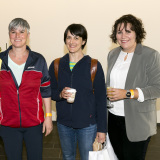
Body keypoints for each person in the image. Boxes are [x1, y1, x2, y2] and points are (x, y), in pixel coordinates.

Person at [0, 18, 53, 160]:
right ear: (9, 35)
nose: (17, 36)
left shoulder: (38, 60)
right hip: (8, 123)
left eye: (21, 32)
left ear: (28, 35)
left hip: (34, 123)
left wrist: (48, 117)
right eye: (13, 32)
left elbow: (46, 90)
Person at [107, 14, 160, 160]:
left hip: (137, 121)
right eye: (119, 32)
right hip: (113, 119)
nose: (123, 35)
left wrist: (127, 93)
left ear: (137, 33)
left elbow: (157, 89)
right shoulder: (113, 54)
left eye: (128, 31)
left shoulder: (150, 55)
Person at [49, 24, 107, 160]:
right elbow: (48, 91)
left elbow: (101, 100)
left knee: (87, 157)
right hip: (64, 124)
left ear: (83, 41)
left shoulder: (93, 66)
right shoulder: (57, 64)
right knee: (68, 156)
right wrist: (60, 95)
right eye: (69, 37)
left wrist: (102, 129)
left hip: (88, 125)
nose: (72, 41)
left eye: (76, 38)